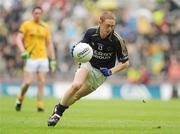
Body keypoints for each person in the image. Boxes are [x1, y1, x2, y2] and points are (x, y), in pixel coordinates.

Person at [48, 11, 129, 126]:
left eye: (112, 26)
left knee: (77, 96)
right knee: (76, 85)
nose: (110, 29)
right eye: (107, 25)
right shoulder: (91, 33)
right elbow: (81, 48)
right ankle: (57, 114)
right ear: (100, 22)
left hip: (101, 74)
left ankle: (59, 107)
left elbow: (125, 63)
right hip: (88, 64)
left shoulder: (117, 40)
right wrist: (75, 51)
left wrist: (111, 71)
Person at [15, 6, 57, 112]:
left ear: (42, 14)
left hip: (43, 57)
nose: (37, 15)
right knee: (27, 82)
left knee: (41, 81)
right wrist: (22, 51)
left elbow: (49, 43)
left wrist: (53, 59)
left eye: (39, 13)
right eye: (35, 13)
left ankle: (40, 105)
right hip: (31, 57)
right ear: (32, 14)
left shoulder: (46, 26)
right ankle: (20, 99)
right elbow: (18, 38)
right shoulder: (26, 25)